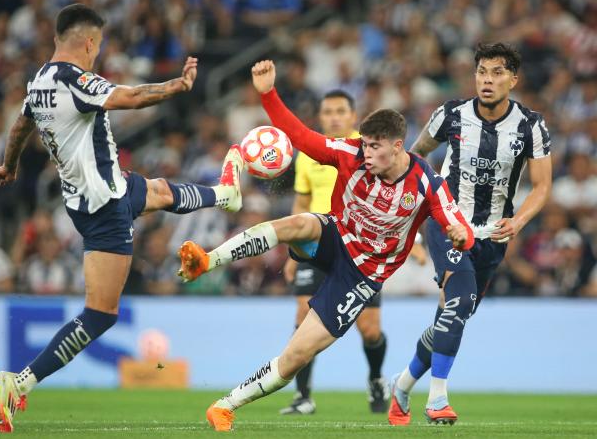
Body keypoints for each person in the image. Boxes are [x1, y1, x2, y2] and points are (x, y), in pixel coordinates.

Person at [177, 59, 474, 432]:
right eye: (364, 144)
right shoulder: (349, 154)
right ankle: (208, 259)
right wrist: (268, 94)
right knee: (300, 222)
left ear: (398, 147)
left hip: (361, 276)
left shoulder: (427, 182)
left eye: (374, 147)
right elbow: (300, 137)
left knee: (296, 356)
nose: (365, 152)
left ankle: (225, 406)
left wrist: (461, 234)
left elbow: (455, 222)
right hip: (336, 238)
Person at [0, 4, 244, 433]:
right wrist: (177, 86)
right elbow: (131, 97)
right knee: (100, 314)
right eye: (98, 45)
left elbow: (18, 129)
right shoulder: (75, 79)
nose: (97, 52)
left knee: (159, 190)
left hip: (100, 192)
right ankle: (21, 382)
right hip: (104, 206)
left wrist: (9, 166)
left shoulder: (38, 82)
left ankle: (225, 194)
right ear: (88, 42)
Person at [388, 42, 552, 425]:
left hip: (495, 236)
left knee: (451, 316)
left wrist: (520, 221)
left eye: (497, 73)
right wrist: (426, 205)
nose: (487, 80)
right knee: (458, 304)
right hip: (448, 223)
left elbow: (542, 186)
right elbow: (415, 157)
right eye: (482, 72)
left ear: (513, 79)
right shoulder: (450, 115)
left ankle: (402, 384)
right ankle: (437, 400)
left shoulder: (531, 126)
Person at [281, 89, 426, 415]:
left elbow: (402, 198)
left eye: (340, 111)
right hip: (317, 245)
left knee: (369, 329)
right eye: (327, 111)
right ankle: (303, 396)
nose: (333, 117)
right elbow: (301, 203)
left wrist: (415, 244)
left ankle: (375, 377)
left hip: (359, 248)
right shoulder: (308, 156)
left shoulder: (371, 151)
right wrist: (293, 250)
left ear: (352, 116)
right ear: (320, 117)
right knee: (303, 315)